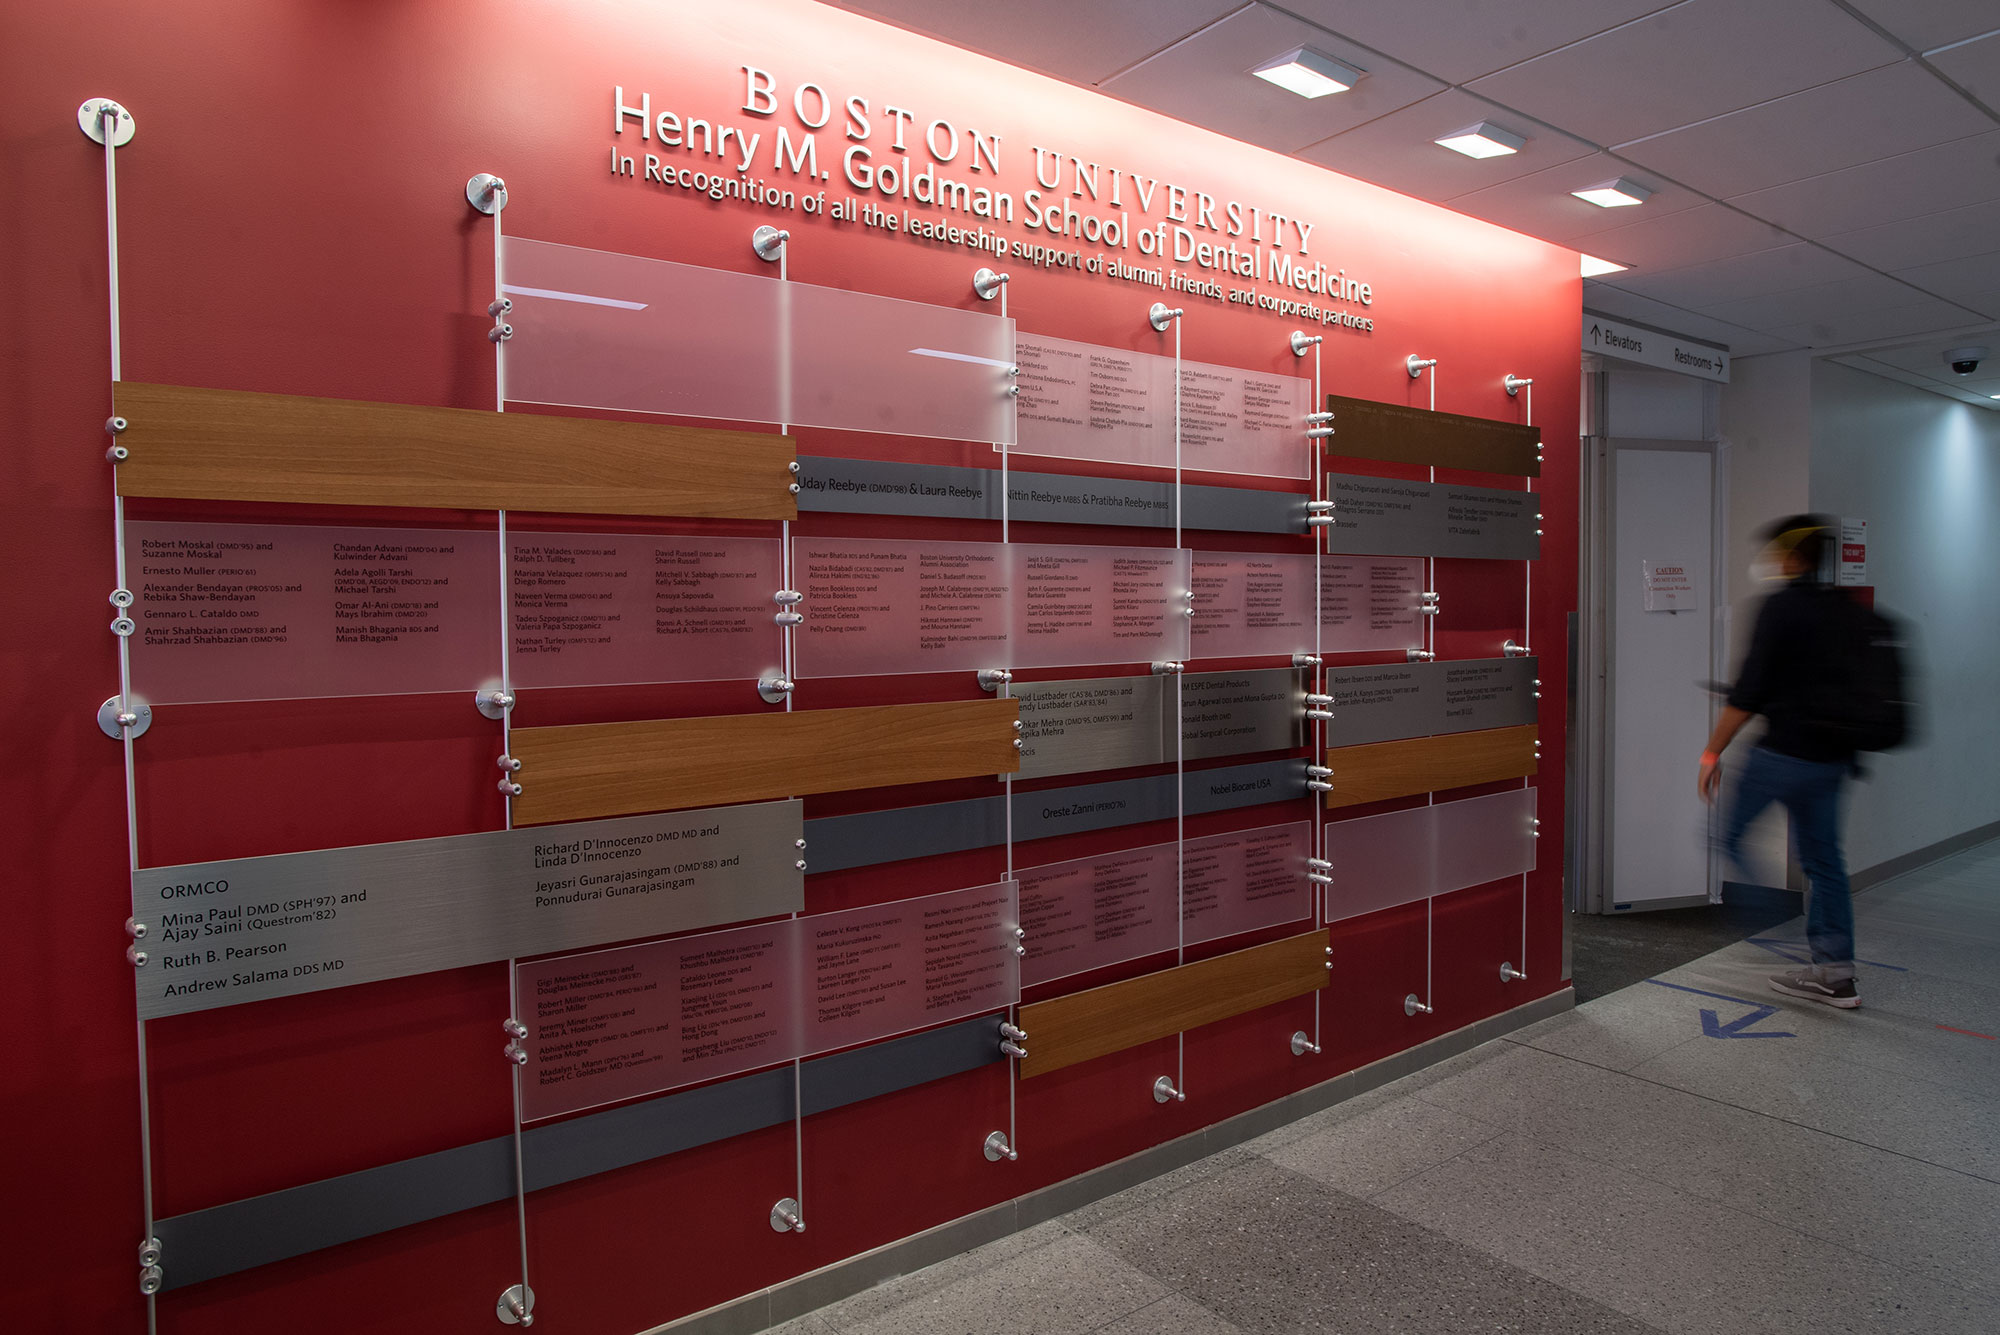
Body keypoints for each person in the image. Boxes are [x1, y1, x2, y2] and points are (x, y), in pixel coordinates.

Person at [1698, 515, 1860, 1008]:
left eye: (1776, 551)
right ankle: (1835, 974)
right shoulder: (1845, 611)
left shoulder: (1779, 608)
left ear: (1792, 557)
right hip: (1831, 761)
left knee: (1723, 835)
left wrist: (1712, 751)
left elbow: (1748, 694)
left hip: (1782, 755)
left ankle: (1760, 913)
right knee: (1825, 862)